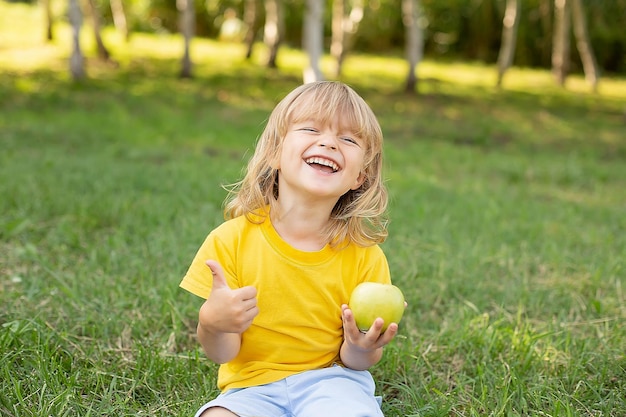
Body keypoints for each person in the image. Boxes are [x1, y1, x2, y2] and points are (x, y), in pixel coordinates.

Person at [180, 81, 402, 417]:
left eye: (348, 139)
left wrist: (361, 347)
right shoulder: (230, 241)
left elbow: (355, 361)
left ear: (361, 175)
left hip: (332, 383)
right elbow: (223, 354)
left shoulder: (364, 256)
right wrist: (212, 323)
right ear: (274, 153)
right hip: (252, 388)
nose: (328, 142)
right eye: (311, 129)